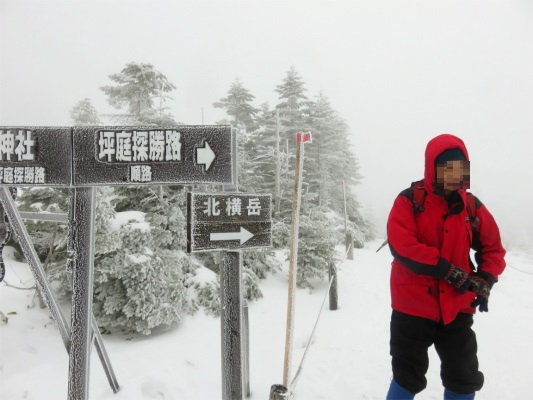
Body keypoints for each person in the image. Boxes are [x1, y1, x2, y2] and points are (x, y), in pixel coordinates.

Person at [385, 134, 506, 399]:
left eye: (460, 167)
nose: (454, 173)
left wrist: (486, 277)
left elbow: (494, 248)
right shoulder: (409, 201)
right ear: (432, 168)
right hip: (412, 307)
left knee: (463, 378)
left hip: (456, 307)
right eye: (447, 166)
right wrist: (446, 270)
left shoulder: (471, 206)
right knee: (407, 377)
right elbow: (402, 245)